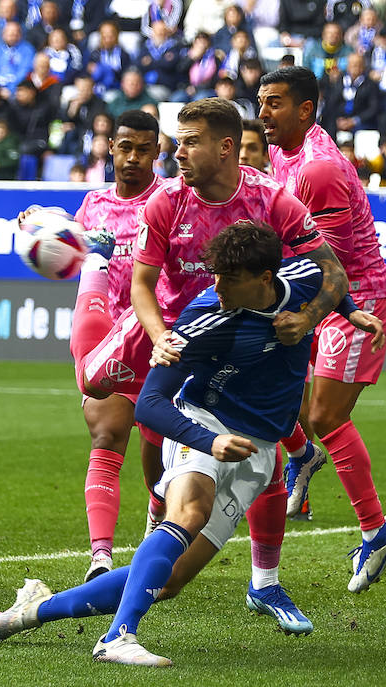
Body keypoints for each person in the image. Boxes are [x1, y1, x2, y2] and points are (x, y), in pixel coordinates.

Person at [0, 223, 348, 665]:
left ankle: (32, 611)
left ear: (266, 278)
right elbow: (150, 406)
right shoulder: (205, 318)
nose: (218, 286)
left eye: (229, 278)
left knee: (168, 581)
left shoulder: (300, 280)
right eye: (214, 275)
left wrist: (336, 312)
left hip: (258, 449)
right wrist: (209, 441)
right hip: (204, 422)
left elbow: (335, 277)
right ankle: (118, 638)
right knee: (190, 511)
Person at [74, 97, 359, 628]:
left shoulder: (273, 199)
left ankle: (265, 582)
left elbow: (331, 271)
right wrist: (159, 336)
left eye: (188, 141)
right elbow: (142, 283)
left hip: (254, 332)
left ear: (225, 147)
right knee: (103, 392)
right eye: (176, 141)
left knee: (263, 444)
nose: (175, 152)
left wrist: (310, 317)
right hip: (180, 331)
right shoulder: (166, 203)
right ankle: (161, 521)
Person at [257, 66, 386, 592]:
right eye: (260, 101)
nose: (263, 113)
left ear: (305, 109)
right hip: (316, 290)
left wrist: (295, 310)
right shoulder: (283, 155)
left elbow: (332, 267)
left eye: (274, 103)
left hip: (352, 300)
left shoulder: (320, 169)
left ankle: (376, 530)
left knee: (326, 414)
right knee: (276, 389)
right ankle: (300, 457)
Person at [20, 110, 166, 581]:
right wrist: (38, 225)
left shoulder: (168, 201)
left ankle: (159, 509)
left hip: (161, 335)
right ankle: (101, 556)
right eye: (124, 147)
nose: (132, 158)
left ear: (157, 153)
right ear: (110, 148)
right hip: (108, 339)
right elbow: (73, 246)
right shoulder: (94, 203)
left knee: (158, 447)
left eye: (143, 149)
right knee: (106, 436)